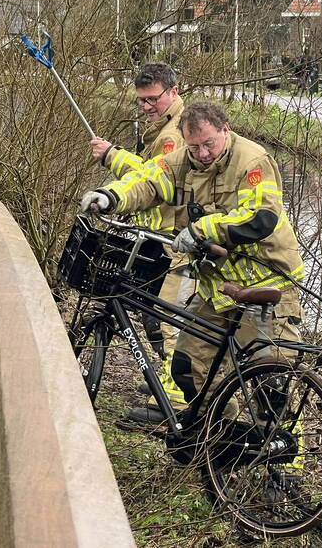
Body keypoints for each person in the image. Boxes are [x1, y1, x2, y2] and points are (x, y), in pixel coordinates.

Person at [81, 101, 304, 419]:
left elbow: (259, 218)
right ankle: (217, 438)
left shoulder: (253, 160)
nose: (201, 154)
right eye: (194, 146)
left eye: (208, 144)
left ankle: (290, 464)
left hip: (267, 285)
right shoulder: (183, 160)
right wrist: (111, 196)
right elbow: (147, 180)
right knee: (188, 367)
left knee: (271, 381)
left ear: (225, 130)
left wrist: (201, 230)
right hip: (219, 286)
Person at [88, 63, 190, 416]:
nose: (147, 107)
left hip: (180, 240)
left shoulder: (174, 134)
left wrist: (112, 158)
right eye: (141, 101)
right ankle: (172, 379)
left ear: (173, 92)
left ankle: (174, 402)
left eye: (153, 99)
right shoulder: (163, 127)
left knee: (170, 320)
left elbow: (156, 181)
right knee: (158, 315)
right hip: (165, 238)